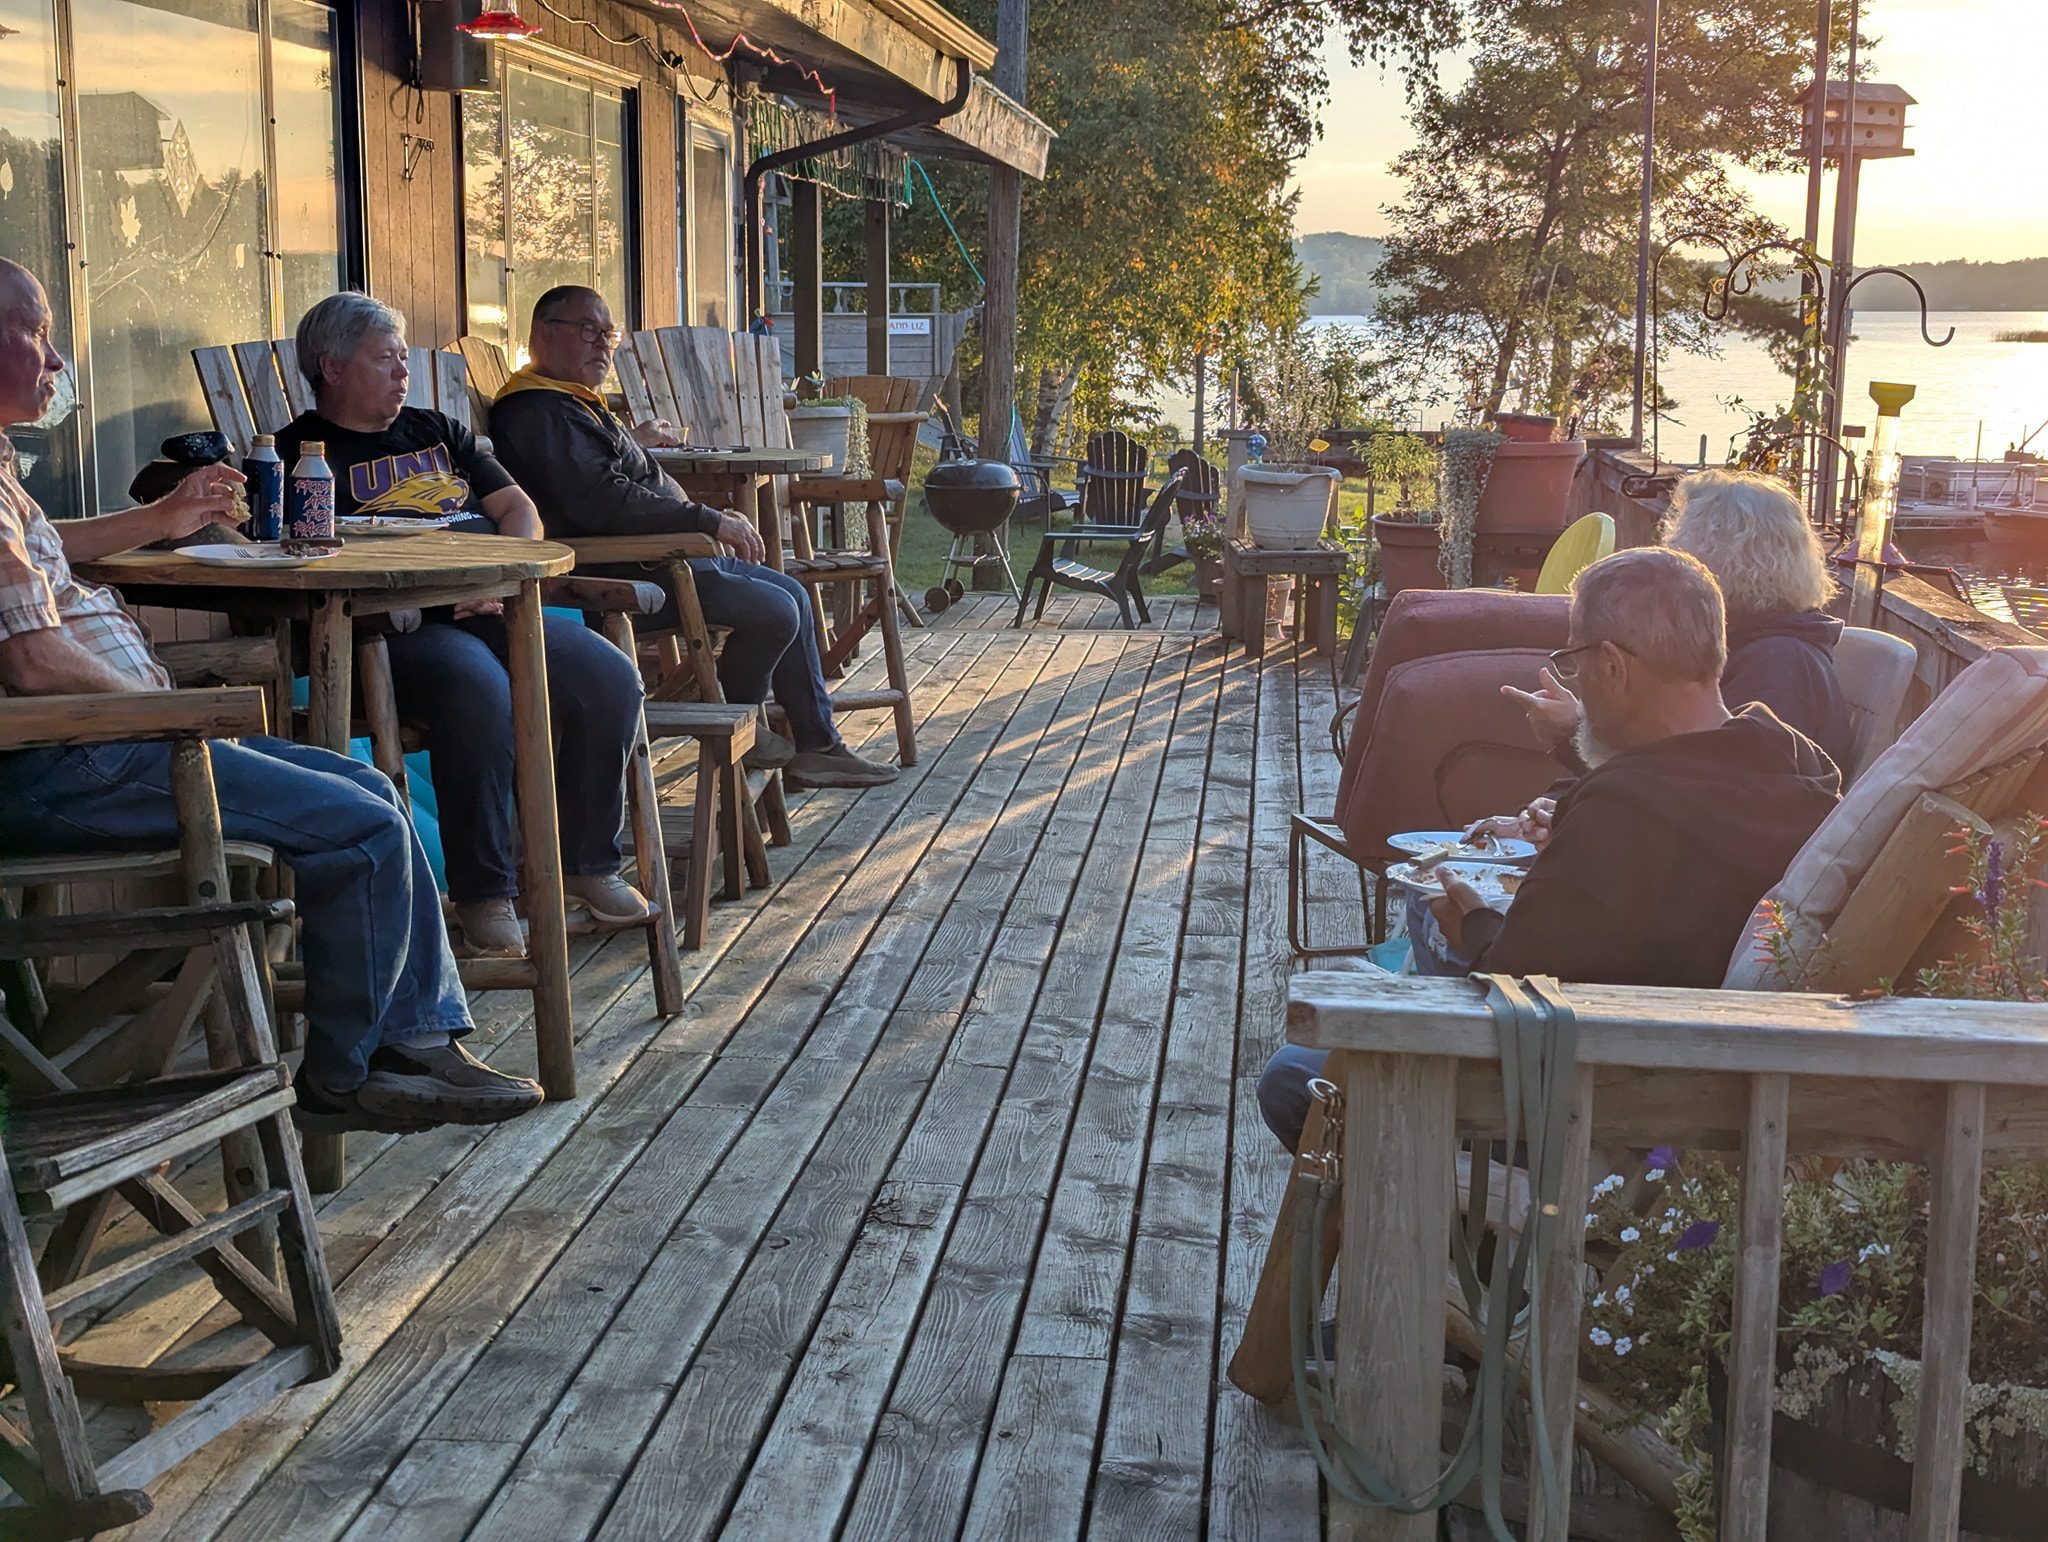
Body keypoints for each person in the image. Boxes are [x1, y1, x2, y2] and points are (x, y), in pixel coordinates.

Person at [0, 259, 541, 1133]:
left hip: (111, 742)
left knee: (368, 787)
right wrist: (162, 710)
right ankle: (349, 1074)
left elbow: (43, 546)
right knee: (360, 826)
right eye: (37, 333)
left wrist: (161, 521)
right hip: (79, 757)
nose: (58, 361)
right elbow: (33, 664)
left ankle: (409, 1043)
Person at [1258, 548, 1841, 1150]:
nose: (1576, 685)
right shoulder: (1795, 765)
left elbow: (1515, 981)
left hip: (1593, 1098)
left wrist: (1471, 923)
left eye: (1575, 663)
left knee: (1292, 1077)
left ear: (1612, 666)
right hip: (1711, 1077)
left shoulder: (1623, 811)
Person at [274, 293, 654, 959]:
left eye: (404, 358)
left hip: (492, 602)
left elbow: (518, 510)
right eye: (385, 359)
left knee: (607, 676)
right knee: (478, 690)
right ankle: (486, 893)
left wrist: (502, 574)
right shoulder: (298, 456)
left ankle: (587, 864)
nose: (402, 372)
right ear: (332, 368)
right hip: (391, 628)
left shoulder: (438, 431)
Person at [484, 285, 897, 791]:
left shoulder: (571, 404)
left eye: (608, 334)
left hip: (664, 556)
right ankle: (736, 724)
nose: (602, 345)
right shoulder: (536, 410)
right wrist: (706, 521)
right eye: (588, 330)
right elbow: (601, 501)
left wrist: (649, 460)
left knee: (791, 592)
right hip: (618, 575)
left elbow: (598, 474)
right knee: (774, 610)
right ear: (544, 333)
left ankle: (817, 746)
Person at [1507, 470, 1852, 772]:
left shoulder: (1779, 665)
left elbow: (1705, 791)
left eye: (1680, 545)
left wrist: (1574, 731)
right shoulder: (1764, 646)